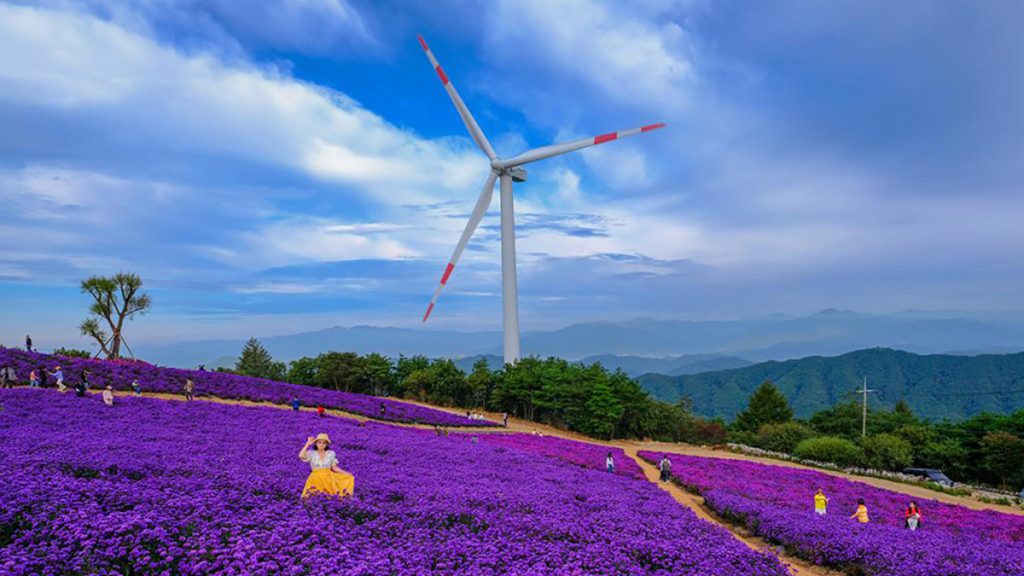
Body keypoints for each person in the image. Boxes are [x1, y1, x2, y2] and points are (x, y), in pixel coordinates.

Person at [299, 433, 354, 498]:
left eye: (324, 443)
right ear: (316, 443)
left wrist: (347, 474)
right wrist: (308, 443)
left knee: (328, 497)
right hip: (315, 478)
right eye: (319, 442)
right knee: (313, 496)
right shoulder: (311, 453)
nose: (321, 444)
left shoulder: (330, 453)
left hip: (328, 479)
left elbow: (334, 467)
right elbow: (301, 455)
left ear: (326, 444)